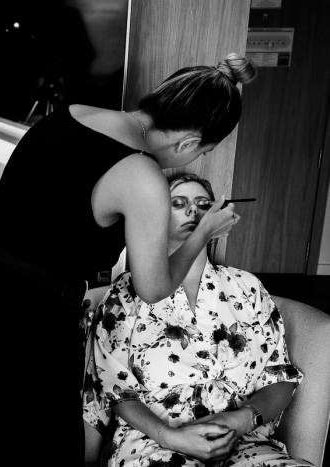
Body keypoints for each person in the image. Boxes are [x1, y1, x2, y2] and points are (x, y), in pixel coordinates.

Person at [0, 54, 256, 466]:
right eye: (201, 153)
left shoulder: (73, 114)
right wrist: (203, 231)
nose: (192, 161)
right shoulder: (141, 175)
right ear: (188, 143)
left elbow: (45, 225)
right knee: (40, 442)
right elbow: (153, 288)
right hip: (28, 316)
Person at [82, 173, 309, 467]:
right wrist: (168, 437)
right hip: (153, 444)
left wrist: (243, 418)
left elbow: (280, 377)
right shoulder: (124, 294)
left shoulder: (246, 287)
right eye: (179, 203)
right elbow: (115, 389)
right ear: (157, 215)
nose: (193, 211)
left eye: (203, 204)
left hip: (244, 443)